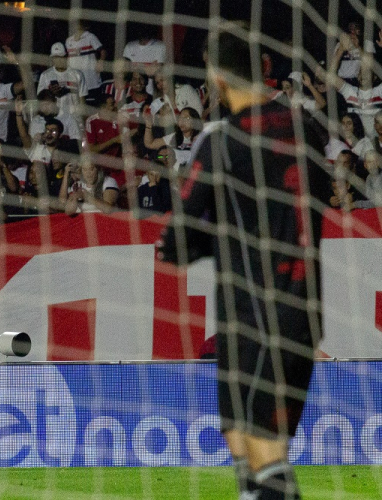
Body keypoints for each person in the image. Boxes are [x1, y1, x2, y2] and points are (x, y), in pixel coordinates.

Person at [157, 26, 333, 500]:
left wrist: (197, 243)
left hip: (254, 313)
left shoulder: (220, 140)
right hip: (303, 311)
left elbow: (177, 240)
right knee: (242, 442)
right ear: (266, 69)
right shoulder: (307, 130)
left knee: (264, 455)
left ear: (216, 77)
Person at [65, 20, 106, 105]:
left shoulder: (90, 37)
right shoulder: (69, 40)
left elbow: (103, 51)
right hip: (76, 82)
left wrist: (100, 62)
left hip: (91, 80)